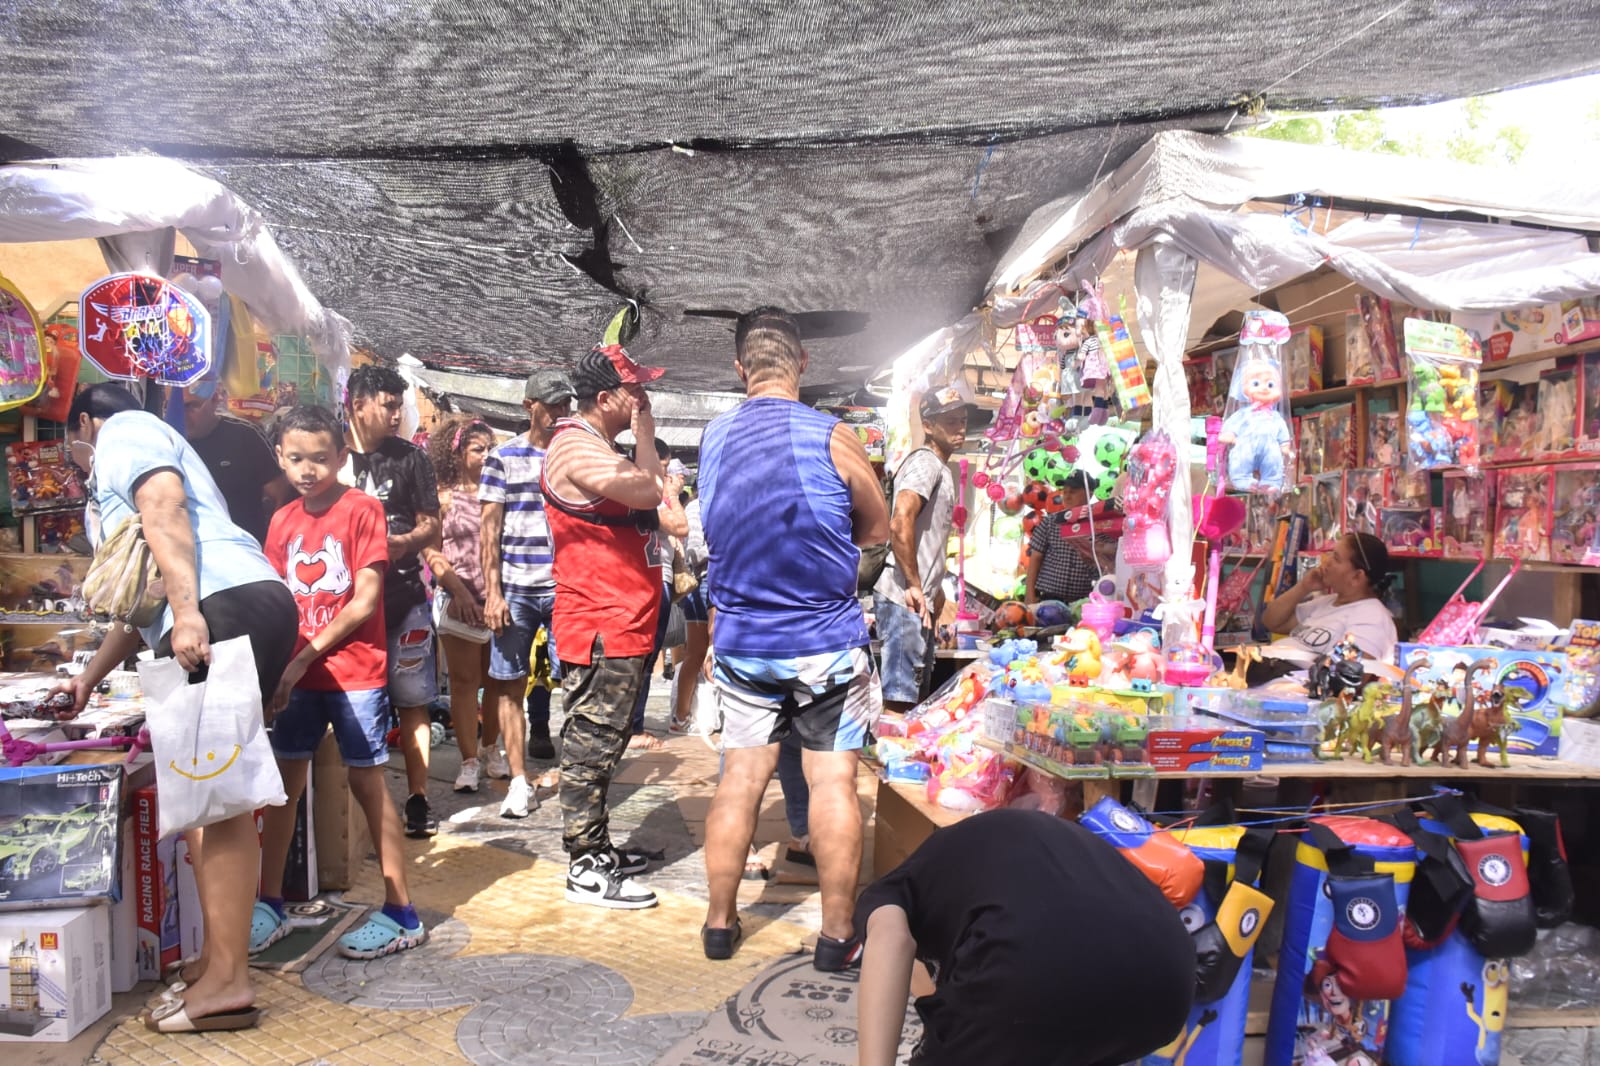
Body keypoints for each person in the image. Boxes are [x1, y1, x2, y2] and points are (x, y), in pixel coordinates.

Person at [55, 383, 298, 1034]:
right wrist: (89, 680)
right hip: (239, 604)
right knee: (209, 803)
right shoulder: (144, 451)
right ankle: (217, 965)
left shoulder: (124, 432)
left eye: (71, 439)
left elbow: (163, 508)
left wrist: (189, 614)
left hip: (218, 609)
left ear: (84, 421)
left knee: (215, 808)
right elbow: (144, 599)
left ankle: (228, 982)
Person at [696, 307, 889, 966]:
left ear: (739, 369)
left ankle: (720, 926)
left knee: (738, 783)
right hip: (826, 642)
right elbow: (878, 527)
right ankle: (837, 938)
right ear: (803, 364)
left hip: (744, 642)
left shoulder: (715, 438)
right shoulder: (834, 436)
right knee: (834, 786)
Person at [258, 405, 426, 961]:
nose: (308, 469)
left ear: (342, 457)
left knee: (367, 786)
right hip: (297, 674)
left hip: (353, 673)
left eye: (320, 458)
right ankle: (269, 902)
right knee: (285, 782)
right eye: (296, 458)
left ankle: (402, 911)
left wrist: (300, 659)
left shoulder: (362, 510)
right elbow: (278, 598)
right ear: (280, 458)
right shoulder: (283, 519)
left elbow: (366, 601)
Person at [854, 808, 1194, 1066]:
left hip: (1033, 967)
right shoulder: (981, 859)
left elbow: (892, 944)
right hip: (1170, 975)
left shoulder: (895, 889)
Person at [542, 345, 686, 908]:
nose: (643, 399)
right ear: (605, 398)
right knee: (591, 742)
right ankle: (584, 864)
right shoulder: (574, 444)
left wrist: (644, 435)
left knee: (609, 738)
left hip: (627, 621)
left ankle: (597, 846)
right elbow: (650, 491)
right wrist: (652, 459)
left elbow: (654, 487)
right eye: (634, 392)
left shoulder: (603, 443)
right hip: (599, 621)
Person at [342, 365, 443, 838]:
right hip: (340, 609)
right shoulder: (329, 455)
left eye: (399, 404)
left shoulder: (411, 459)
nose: (396, 413)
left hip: (405, 598)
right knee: (354, 702)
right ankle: (361, 809)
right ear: (357, 404)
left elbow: (432, 524)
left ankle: (418, 799)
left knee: (413, 700)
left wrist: (402, 543)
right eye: (387, 404)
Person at [480, 369, 574, 817]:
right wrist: (492, 593)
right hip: (516, 588)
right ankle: (519, 780)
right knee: (508, 684)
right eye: (552, 404)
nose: (559, 412)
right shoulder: (503, 458)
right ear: (528, 406)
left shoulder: (575, 455)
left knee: (576, 679)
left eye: (564, 404)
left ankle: (576, 774)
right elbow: (489, 531)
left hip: (567, 588)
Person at [422, 416, 503, 792]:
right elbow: (432, 552)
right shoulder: (443, 497)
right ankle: (469, 760)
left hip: (498, 603)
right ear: (457, 453)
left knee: (499, 682)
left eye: (490, 449)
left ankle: (493, 750)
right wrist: (461, 593)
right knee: (464, 683)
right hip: (458, 604)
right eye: (478, 449)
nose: (486, 456)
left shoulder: (498, 492)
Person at [873, 387, 965, 711]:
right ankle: (893, 762)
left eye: (962, 420)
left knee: (914, 703)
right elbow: (900, 522)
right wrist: (914, 584)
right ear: (928, 425)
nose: (960, 427)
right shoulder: (925, 463)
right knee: (900, 702)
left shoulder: (940, 468)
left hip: (918, 601)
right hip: (904, 599)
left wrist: (933, 589)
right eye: (951, 420)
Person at [181, 376, 294, 544]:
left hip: (243, 550)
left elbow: (281, 494)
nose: (181, 414)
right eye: (172, 406)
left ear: (214, 400)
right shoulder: (165, 440)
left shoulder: (244, 436)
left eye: (190, 406)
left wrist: (274, 543)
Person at [1259, 531, 1398, 665]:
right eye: (1330, 554)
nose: (1327, 561)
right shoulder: (1327, 602)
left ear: (1357, 577)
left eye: (1336, 558)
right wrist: (1303, 587)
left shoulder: (1371, 617)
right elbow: (1271, 622)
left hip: (1291, 682)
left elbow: (1349, 674)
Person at [628, 437, 685, 752]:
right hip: (640, 580)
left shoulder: (649, 492)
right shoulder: (640, 492)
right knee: (637, 656)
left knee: (647, 656)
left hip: (657, 577)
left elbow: (679, 528)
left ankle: (633, 724)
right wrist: (672, 495)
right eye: (661, 468)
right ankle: (631, 726)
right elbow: (680, 525)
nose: (664, 476)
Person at [1023, 471, 1104, 606]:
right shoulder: (1050, 522)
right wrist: (1029, 595)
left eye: (1073, 491)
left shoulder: (1099, 525)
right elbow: (1035, 558)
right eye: (1065, 491)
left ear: (1089, 494)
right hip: (1047, 599)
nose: (1067, 495)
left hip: (1083, 603)